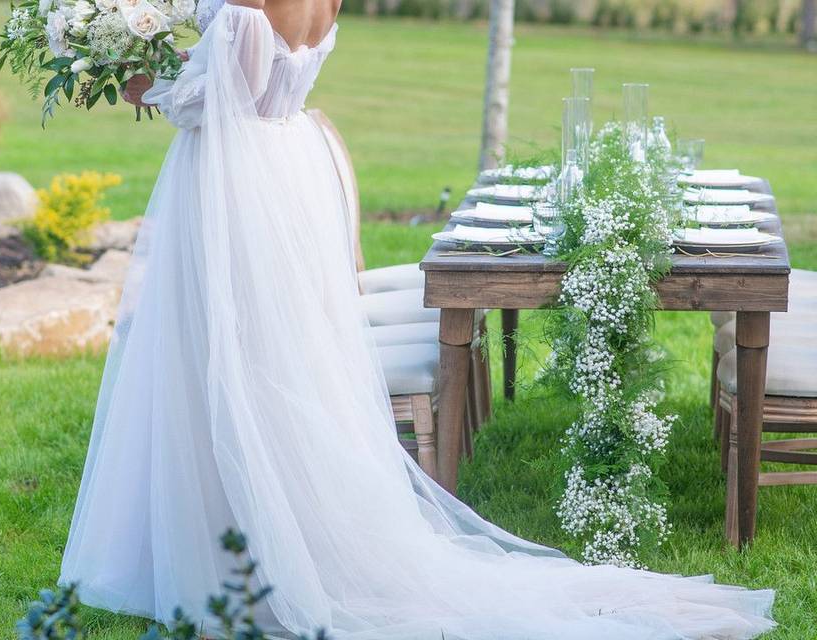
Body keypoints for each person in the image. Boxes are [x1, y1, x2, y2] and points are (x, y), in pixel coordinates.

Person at [59, 1, 776, 637]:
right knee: (265, 356)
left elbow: (225, 93)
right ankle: (234, 523)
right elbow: (259, 72)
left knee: (230, 355)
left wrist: (134, 79)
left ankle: (233, 539)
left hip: (237, 174)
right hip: (281, 168)